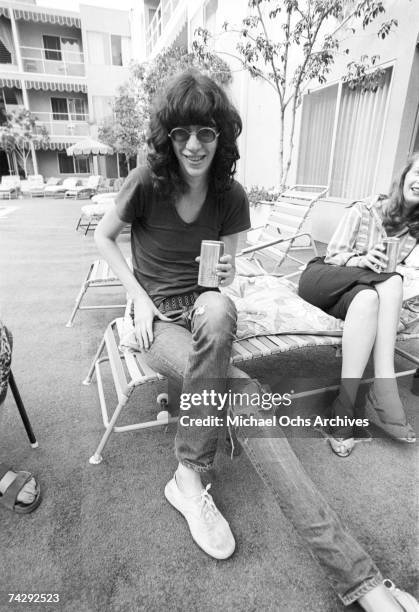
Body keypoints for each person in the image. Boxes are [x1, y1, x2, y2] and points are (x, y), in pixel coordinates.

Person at [95, 69, 417, 610]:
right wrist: (138, 297)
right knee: (244, 397)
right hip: (156, 324)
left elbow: (228, 272)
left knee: (220, 308)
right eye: (181, 134)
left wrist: (222, 279)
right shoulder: (147, 180)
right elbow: (106, 238)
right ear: (166, 137)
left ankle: (188, 476)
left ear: (222, 135)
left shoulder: (232, 195)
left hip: (204, 313)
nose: (194, 145)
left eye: (206, 132)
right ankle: (360, 581)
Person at [299, 153, 419, 458]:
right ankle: (385, 382)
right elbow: (333, 256)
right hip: (323, 279)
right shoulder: (365, 209)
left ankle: (342, 412)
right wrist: (362, 261)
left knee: (371, 298)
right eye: (418, 173)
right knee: (391, 282)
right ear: (404, 176)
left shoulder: (414, 232)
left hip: (357, 294)